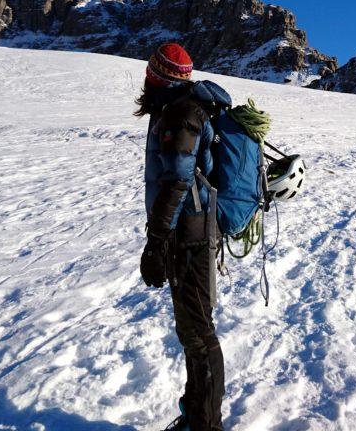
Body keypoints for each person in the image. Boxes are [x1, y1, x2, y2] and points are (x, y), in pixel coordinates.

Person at [137, 44, 225, 431]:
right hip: (187, 231)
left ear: (160, 74)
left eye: (152, 71)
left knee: (198, 332)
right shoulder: (175, 108)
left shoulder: (182, 113)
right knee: (193, 329)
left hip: (189, 234)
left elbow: (177, 181)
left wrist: (156, 242)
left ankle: (206, 424)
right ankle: (196, 416)